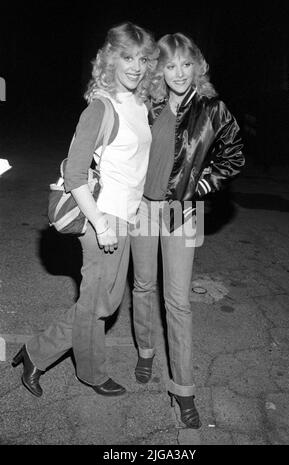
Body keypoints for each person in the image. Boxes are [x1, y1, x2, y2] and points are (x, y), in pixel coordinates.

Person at [12, 22, 158, 397]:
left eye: (142, 58)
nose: (135, 66)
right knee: (98, 306)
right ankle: (91, 374)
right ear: (110, 59)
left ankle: (34, 352)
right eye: (127, 57)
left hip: (125, 215)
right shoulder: (100, 108)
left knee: (102, 302)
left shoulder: (139, 105)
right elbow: (75, 174)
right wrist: (100, 223)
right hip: (103, 219)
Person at [130, 33, 245, 428]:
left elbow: (233, 156)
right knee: (143, 286)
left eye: (186, 64)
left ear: (197, 66)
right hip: (143, 208)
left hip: (184, 212)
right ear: (159, 68)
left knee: (178, 302)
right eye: (170, 65)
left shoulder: (213, 109)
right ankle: (145, 349)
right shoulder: (148, 103)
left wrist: (199, 185)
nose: (178, 73)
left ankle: (184, 389)